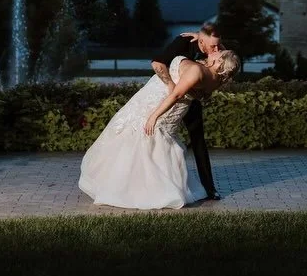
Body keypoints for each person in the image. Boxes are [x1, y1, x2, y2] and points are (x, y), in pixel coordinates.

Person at [78, 48, 240, 210]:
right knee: (157, 144)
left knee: (145, 136)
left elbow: (176, 95)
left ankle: (139, 189)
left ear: (219, 62)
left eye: (218, 53)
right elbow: (205, 84)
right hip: (178, 111)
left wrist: (154, 115)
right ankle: (149, 185)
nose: (215, 51)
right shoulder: (218, 79)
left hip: (166, 105)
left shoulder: (198, 71)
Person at [150, 23, 222, 200]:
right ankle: (158, 184)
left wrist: (214, 46)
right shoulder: (183, 42)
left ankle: (210, 188)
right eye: (213, 46)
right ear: (202, 41)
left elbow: (228, 58)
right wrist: (171, 86)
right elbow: (157, 63)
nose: (216, 49)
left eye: (218, 45)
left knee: (199, 140)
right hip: (169, 96)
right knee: (159, 136)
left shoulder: (213, 49)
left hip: (191, 101)